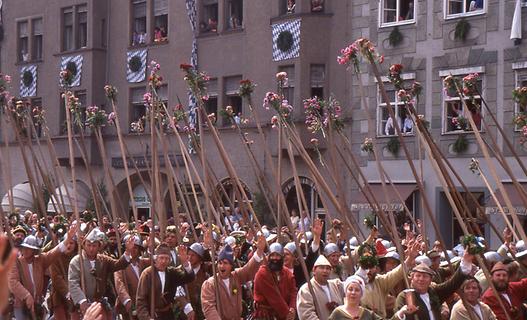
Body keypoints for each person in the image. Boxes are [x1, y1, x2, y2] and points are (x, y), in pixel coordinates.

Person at [9, 224, 77, 320]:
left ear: (34, 251)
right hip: (21, 304)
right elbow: (13, 282)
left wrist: (67, 239)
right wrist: (26, 296)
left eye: (29, 248)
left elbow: (54, 252)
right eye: (25, 248)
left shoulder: (40, 260)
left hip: (37, 303)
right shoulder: (16, 263)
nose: (26, 250)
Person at [68, 228, 135, 320]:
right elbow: (73, 283)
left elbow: (118, 265)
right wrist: (82, 301)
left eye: (94, 245)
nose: (91, 248)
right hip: (80, 305)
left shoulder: (103, 260)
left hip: (98, 303)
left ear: (99, 246)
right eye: (89, 245)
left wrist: (127, 251)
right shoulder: (76, 261)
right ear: (84, 245)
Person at [394, 250, 474, 320]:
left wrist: (465, 262)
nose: (421, 279)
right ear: (412, 278)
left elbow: (452, 284)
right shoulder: (405, 296)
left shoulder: (433, 292)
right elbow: (398, 316)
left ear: (430, 280)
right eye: (418, 276)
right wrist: (402, 313)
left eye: (425, 276)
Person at [201, 235, 266, 320]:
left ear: (231, 266)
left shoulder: (236, 276)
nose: (222, 266)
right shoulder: (210, 284)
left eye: (225, 263)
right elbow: (209, 308)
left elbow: (249, 269)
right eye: (220, 263)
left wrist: (259, 251)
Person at [135, 243, 196, 320]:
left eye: (166, 258)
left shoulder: (172, 272)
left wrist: (185, 263)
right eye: (161, 258)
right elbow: (141, 301)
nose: (164, 261)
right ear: (156, 259)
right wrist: (147, 318)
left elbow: (189, 278)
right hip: (152, 315)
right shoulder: (147, 274)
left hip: (168, 315)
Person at [329, 275, 412, 320]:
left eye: (357, 290)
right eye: (350, 289)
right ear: (345, 292)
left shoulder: (368, 314)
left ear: (361, 294)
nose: (353, 293)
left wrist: (400, 313)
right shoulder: (337, 313)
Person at [252, 243, 297, 320]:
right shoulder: (262, 273)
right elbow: (274, 297)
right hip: (266, 315)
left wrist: (292, 308)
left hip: (284, 314)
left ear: (282, 257)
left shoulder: (287, 273)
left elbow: (293, 292)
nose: (274, 258)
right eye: (272, 255)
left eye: (277, 255)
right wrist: (287, 314)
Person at [296, 255, 345, 320]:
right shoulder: (306, 289)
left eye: (327, 268)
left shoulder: (336, 285)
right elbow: (307, 315)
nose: (325, 271)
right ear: (314, 270)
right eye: (321, 268)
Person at [114, 234, 149, 320]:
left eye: (135, 248)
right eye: (131, 247)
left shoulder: (143, 262)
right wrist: (126, 300)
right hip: (129, 305)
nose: (133, 250)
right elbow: (119, 284)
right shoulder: (120, 265)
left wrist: (150, 248)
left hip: (144, 303)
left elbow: (154, 261)